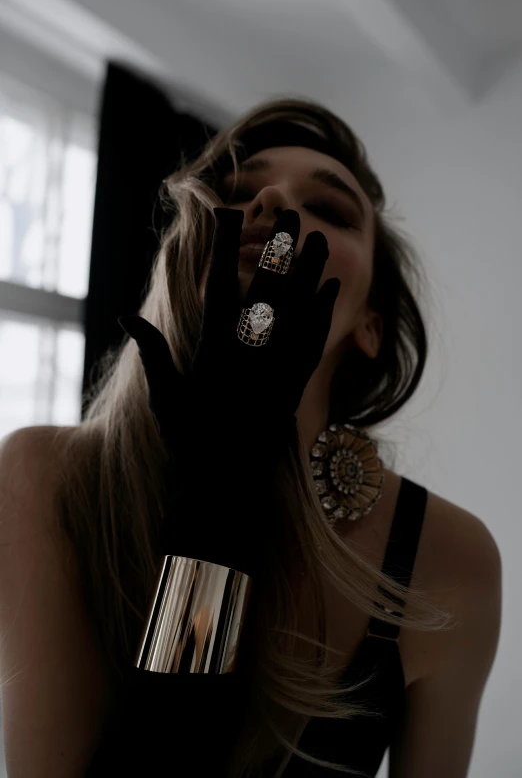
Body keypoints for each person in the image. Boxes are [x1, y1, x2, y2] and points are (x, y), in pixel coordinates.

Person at [0, 98, 502, 777]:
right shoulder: (43, 476)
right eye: (237, 191)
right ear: (184, 252)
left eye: (330, 209)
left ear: (370, 326)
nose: (271, 202)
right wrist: (217, 499)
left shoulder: (452, 555)